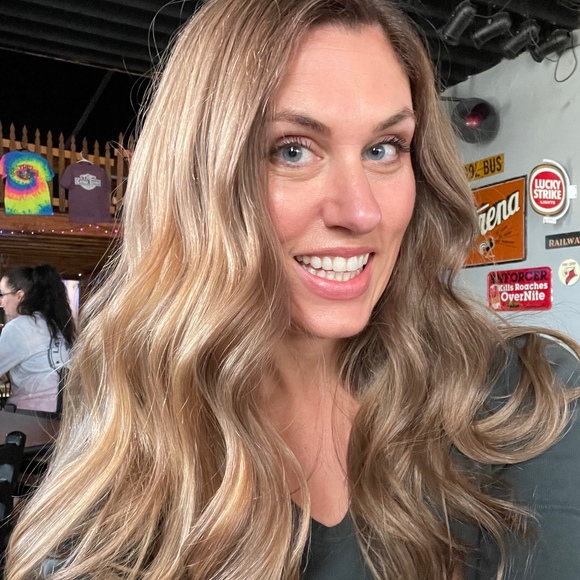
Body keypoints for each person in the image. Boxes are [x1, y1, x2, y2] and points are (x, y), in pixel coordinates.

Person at [6, 0, 580, 578]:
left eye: (383, 148)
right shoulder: (130, 448)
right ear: (198, 184)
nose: (361, 212)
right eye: (293, 150)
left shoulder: (524, 400)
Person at [0, 265, 75, 415]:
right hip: (63, 415)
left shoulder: (19, 327)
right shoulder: (56, 324)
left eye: (2, 294)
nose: (1, 302)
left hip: (30, 416)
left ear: (19, 296)